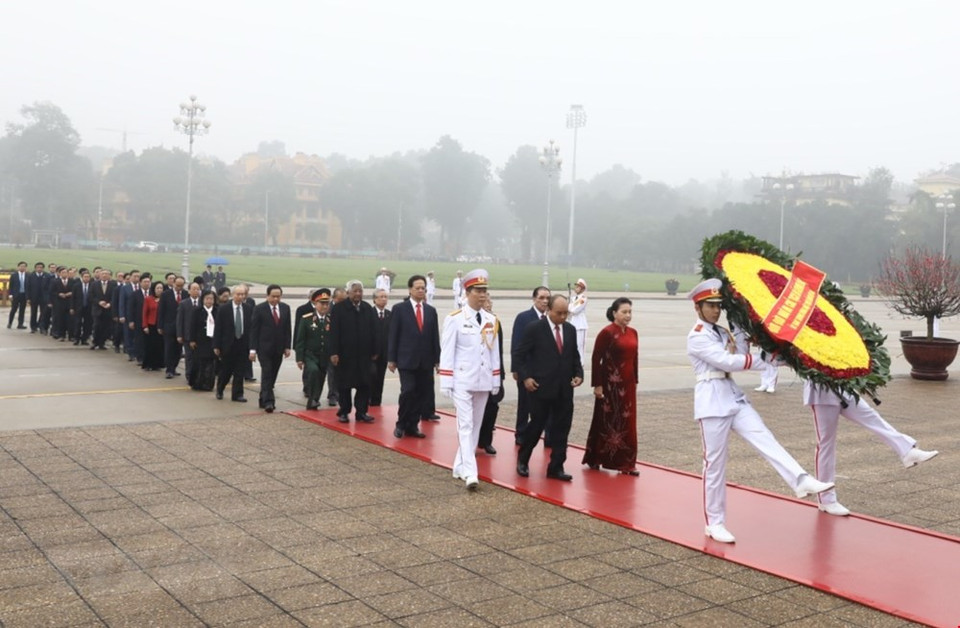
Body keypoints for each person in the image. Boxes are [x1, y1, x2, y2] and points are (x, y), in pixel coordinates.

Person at [686, 278, 833, 544]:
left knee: (765, 437)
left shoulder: (722, 332)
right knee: (715, 466)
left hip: (732, 397)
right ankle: (714, 523)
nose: (716, 310)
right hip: (711, 402)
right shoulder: (696, 335)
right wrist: (762, 362)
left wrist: (745, 331)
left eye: (719, 306)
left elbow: (738, 353)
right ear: (698, 308)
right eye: (710, 306)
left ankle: (800, 479)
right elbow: (726, 361)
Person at [803, 382, 939, 516]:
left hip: (844, 386)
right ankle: (827, 500)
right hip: (821, 393)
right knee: (826, 444)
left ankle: (907, 451)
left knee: (872, 418)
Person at [439, 269, 500, 490]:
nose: (483, 295)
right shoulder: (454, 319)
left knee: (475, 425)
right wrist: (446, 380)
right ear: (468, 292)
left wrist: (496, 380)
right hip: (462, 379)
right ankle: (471, 472)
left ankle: (459, 465)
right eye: (478, 291)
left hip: (483, 380)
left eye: (485, 290)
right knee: (465, 424)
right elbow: (447, 351)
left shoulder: (491, 319)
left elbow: (494, 352)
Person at [515, 294, 582, 481]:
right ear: (549, 311)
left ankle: (556, 466)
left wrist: (579, 374)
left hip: (564, 391)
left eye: (565, 313)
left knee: (562, 430)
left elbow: (574, 356)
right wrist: (526, 377)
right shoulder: (534, 329)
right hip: (541, 389)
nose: (563, 317)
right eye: (559, 313)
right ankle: (523, 459)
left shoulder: (570, 330)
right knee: (535, 427)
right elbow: (519, 356)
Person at [582, 297, 639, 475]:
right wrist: (597, 385)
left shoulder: (633, 332)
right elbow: (595, 359)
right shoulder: (607, 332)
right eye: (624, 312)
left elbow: (635, 358)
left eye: (630, 312)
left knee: (628, 423)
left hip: (628, 385)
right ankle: (596, 458)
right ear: (614, 313)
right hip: (609, 386)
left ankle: (627, 463)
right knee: (605, 421)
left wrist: (635, 380)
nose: (628, 315)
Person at [388, 275, 440, 439]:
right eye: (417, 288)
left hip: (425, 361)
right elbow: (393, 335)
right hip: (406, 360)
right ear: (410, 289)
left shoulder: (431, 311)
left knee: (420, 394)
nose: (420, 290)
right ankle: (401, 423)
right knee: (408, 391)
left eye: (423, 288)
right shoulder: (399, 309)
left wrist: (437, 360)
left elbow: (434, 337)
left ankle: (413, 425)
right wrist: (391, 359)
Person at [328, 280, 378, 423]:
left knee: (364, 384)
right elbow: (334, 332)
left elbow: (374, 331)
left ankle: (361, 412)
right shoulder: (339, 308)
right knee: (344, 385)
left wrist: (375, 350)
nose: (358, 294)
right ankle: (344, 411)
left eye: (360, 291)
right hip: (345, 355)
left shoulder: (367, 308)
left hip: (364, 355)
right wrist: (334, 352)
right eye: (355, 291)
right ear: (348, 292)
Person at [510, 286, 551, 444]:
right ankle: (520, 433)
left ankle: (547, 435)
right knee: (525, 406)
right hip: (527, 370)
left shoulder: (551, 318)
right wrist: (516, 369)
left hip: (545, 372)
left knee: (546, 407)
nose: (545, 301)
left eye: (547, 298)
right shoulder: (524, 317)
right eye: (541, 298)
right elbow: (516, 344)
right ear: (534, 299)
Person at [249, 284, 292, 413]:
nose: (275, 299)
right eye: (273, 296)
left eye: (278, 296)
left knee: (272, 375)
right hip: (264, 348)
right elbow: (254, 330)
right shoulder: (259, 309)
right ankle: (269, 402)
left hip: (278, 349)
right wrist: (253, 350)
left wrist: (287, 347)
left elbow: (287, 329)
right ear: (267, 296)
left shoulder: (285, 308)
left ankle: (263, 398)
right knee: (267, 373)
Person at [213, 284, 252, 402]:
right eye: (238, 294)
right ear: (233, 295)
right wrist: (216, 345)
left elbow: (251, 328)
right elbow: (218, 328)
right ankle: (220, 389)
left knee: (240, 371)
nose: (241, 297)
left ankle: (237, 394)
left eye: (243, 294)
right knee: (226, 370)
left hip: (243, 344)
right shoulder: (224, 309)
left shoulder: (248, 308)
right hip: (228, 344)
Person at [295, 289, 332, 410]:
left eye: (327, 304)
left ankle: (314, 399)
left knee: (321, 377)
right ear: (315, 304)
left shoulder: (330, 320)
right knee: (313, 371)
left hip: (324, 355)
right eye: (322, 303)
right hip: (310, 355)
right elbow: (300, 339)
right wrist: (299, 358)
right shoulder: (307, 319)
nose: (325, 306)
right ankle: (312, 398)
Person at [477, 296, 504, 456]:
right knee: (475, 409)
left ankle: (486, 441)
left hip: (492, 373)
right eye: (485, 301)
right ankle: (472, 441)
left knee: (492, 407)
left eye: (489, 301)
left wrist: (501, 374)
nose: (488, 304)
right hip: (476, 373)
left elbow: (498, 350)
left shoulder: (495, 322)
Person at [189, 290, 219, 391]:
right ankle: (197, 383)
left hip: (212, 341)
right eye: (207, 298)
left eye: (211, 299)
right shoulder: (197, 311)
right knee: (199, 363)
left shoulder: (217, 311)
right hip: (200, 341)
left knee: (210, 364)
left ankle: (208, 384)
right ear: (203, 299)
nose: (209, 301)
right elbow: (192, 326)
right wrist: (192, 339)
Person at [177, 282, 202, 386]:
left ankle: (199, 376)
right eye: (194, 289)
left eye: (198, 289)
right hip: (187, 336)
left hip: (200, 336)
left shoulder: (203, 303)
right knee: (189, 357)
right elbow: (180, 320)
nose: (196, 291)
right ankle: (189, 375)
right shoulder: (184, 303)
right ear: (189, 291)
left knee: (199, 357)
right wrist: (179, 335)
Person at [326, 287, 347, 407]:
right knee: (332, 372)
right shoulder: (328, 309)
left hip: (344, 345)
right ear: (334, 298)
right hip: (331, 346)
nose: (343, 302)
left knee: (342, 372)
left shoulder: (348, 308)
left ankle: (340, 394)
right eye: (340, 300)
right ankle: (332, 395)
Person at [370, 288, 391, 406]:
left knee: (380, 378)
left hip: (384, 354)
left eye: (385, 297)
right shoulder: (369, 313)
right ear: (374, 299)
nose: (384, 299)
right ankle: (369, 399)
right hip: (371, 354)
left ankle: (377, 401)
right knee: (372, 375)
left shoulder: (390, 314)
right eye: (381, 297)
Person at [141, 281, 166, 371]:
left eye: (161, 288)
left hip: (161, 326)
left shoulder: (165, 299)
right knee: (149, 346)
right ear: (154, 289)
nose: (159, 290)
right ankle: (148, 364)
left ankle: (157, 364)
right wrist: (145, 326)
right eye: (157, 288)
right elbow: (144, 313)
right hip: (151, 325)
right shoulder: (148, 299)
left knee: (159, 346)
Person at [90, 268, 117, 350]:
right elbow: (91, 296)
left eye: (106, 274)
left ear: (109, 276)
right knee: (97, 326)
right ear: (100, 275)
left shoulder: (113, 284)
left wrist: (110, 304)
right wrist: (99, 302)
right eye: (103, 274)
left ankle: (102, 343)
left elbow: (115, 297)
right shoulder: (94, 284)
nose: (104, 275)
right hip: (97, 309)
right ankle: (95, 342)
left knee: (106, 327)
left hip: (108, 310)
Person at [568, 278, 589, 364]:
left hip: (580, 325)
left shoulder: (583, 299)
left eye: (578, 286)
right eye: (576, 286)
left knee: (580, 347)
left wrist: (570, 306)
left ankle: (581, 364)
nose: (576, 288)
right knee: (573, 345)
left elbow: (574, 310)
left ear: (582, 289)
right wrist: (570, 305)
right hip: (573, 323)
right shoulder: (574, 298)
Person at [70, 269, 94, 345]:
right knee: (77, 323)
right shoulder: (76, 286)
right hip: (78, 307)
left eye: (88, 277)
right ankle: (76, 338)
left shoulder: (92, 286)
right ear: (82, 277)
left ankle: (84, 339)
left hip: (88, 308)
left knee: (87, 324)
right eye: (85, 277)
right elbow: (73, 298)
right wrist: (72, 307)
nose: (86, 278)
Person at [27, 262, 49, 334]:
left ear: (43, 268)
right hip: (34, 297)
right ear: (35, 268)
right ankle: (33, 327)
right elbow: (28, 287)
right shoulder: (31, 276)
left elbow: (49, 288)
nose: (39, 269)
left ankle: (42, 327)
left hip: (44, 298)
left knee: (43, 313)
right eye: (38, 267)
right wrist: (28, 298)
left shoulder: (47, 276)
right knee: (33, 313)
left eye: (41, 267)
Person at [6, 261, 28, 330]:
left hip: (24, 295)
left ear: (26, 268)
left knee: (22, 310)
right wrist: (10, 295)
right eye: (21, 266)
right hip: (16, 295)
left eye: (24, 266)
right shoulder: (14, 275)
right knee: (13, 309)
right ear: (18, 267)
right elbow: (11, 285)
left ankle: (20, 324)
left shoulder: (28, 275)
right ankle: (10, 323)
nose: (22, 267)